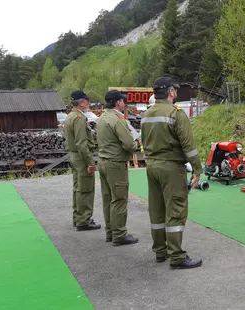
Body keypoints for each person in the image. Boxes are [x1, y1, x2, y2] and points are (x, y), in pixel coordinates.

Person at [140, 77, 203, 269]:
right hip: (171, 168)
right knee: (175, 210)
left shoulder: (147, 114)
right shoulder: (176, 114)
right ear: (170, 92)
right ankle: (177, 256)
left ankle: (160, 252)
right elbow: (188, 146)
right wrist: (197, 169)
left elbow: (143, 141)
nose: (176, 92)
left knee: (157, 210)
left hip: (152, 167)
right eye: (174, 90)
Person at [97, 90, 139, 246]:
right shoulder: (117, 120)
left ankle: (110, 232)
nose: (125, 103)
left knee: (108, 198)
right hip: (115, 163)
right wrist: (137, 144)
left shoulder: (102, 118)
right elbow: (129, 144)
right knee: (119, 199)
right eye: (123, 101)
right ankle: (120, 234)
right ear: (117, 102)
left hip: (103, 161)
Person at [65, 90, 101, 231]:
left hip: (74, 155)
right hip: (81, 157)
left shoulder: (70, 116)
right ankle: (84, 220)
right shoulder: (79, 118)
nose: (89, 103)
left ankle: (78, 217)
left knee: (78, 188)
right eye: (87, 101)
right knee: (85, 189)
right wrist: (90, 162)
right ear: (81, 102)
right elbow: (81, 143)